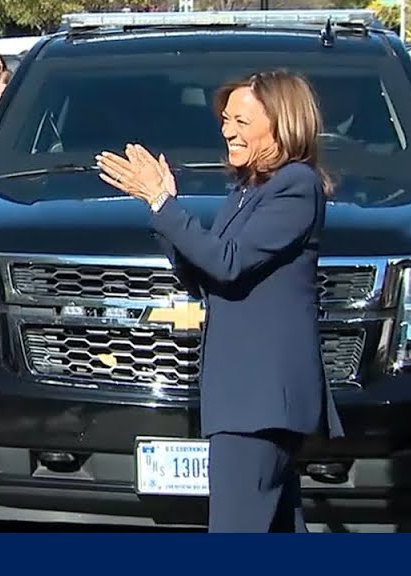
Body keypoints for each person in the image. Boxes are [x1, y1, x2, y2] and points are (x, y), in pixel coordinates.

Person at [95, 70, 344, 533]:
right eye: (226, 119)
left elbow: (228, 262)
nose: (228, 130)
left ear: (282, 123)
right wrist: (163, 204)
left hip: (260, 399)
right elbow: (208, 275)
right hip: (241, 397)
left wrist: (160, 203)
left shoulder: (295, 186)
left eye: (242, 121)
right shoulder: (248, 190)